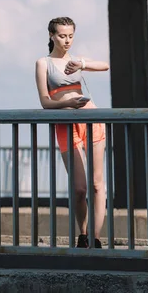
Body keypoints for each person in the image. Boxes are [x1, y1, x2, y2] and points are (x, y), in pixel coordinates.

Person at [35, 16, 109, 249]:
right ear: (51, 35)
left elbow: (105, 65)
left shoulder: (76, 60)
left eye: (70, 36)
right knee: (79, 188)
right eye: (62, 36)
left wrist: (82, 65)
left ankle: (96, 239)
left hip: (91, 119)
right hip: (66, 123)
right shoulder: (43, 63)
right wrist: (67, 106)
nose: (67, 40)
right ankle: (83, 233)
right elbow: (45, 102)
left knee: (97, 184)